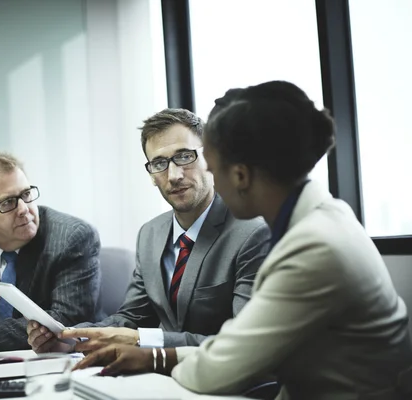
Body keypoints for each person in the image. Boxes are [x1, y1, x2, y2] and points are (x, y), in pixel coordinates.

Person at [71, 81, 412, 399]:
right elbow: (236, 349)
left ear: (240, 176)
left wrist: (155, 357)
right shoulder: (325, 217)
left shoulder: (312, 248)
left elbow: (218, 369)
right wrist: (148, 356)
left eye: (212, 168)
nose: (207, 180)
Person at [27, 108, 270, 353]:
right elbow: (133, 318)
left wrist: (144, 341)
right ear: (152, 175)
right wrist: (71, 337)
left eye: (185, 156)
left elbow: (245, 345)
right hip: (161, 377)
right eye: (159, 163)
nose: (173, 175)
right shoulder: (150, 234)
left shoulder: (252, 233)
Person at [0, 152, 103, 353]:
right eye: (7, 202)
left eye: (26, 194)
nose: (24, 209)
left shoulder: (71, 238)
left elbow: (63, 323)